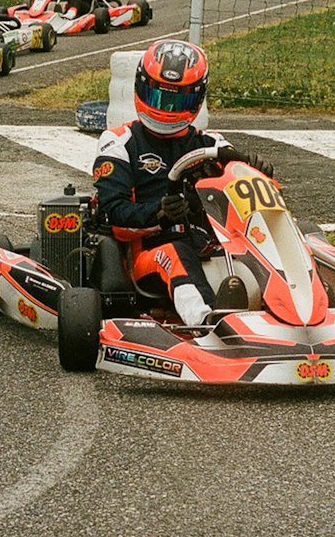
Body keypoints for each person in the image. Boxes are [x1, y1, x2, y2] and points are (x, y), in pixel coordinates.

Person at [92, 40, 273, 327]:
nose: (166, 109)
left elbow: (254, 202)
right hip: (150, 250)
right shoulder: (119, 142)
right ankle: (209, 321)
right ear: (141, 88)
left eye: (179, 100)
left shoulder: (212, 144)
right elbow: (112, 214)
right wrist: (160, 215)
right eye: (159, 96)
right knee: (175, 252)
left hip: (213, 244)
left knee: (287, 238)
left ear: (197, 98)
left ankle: (306, 309)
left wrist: (260, 176)